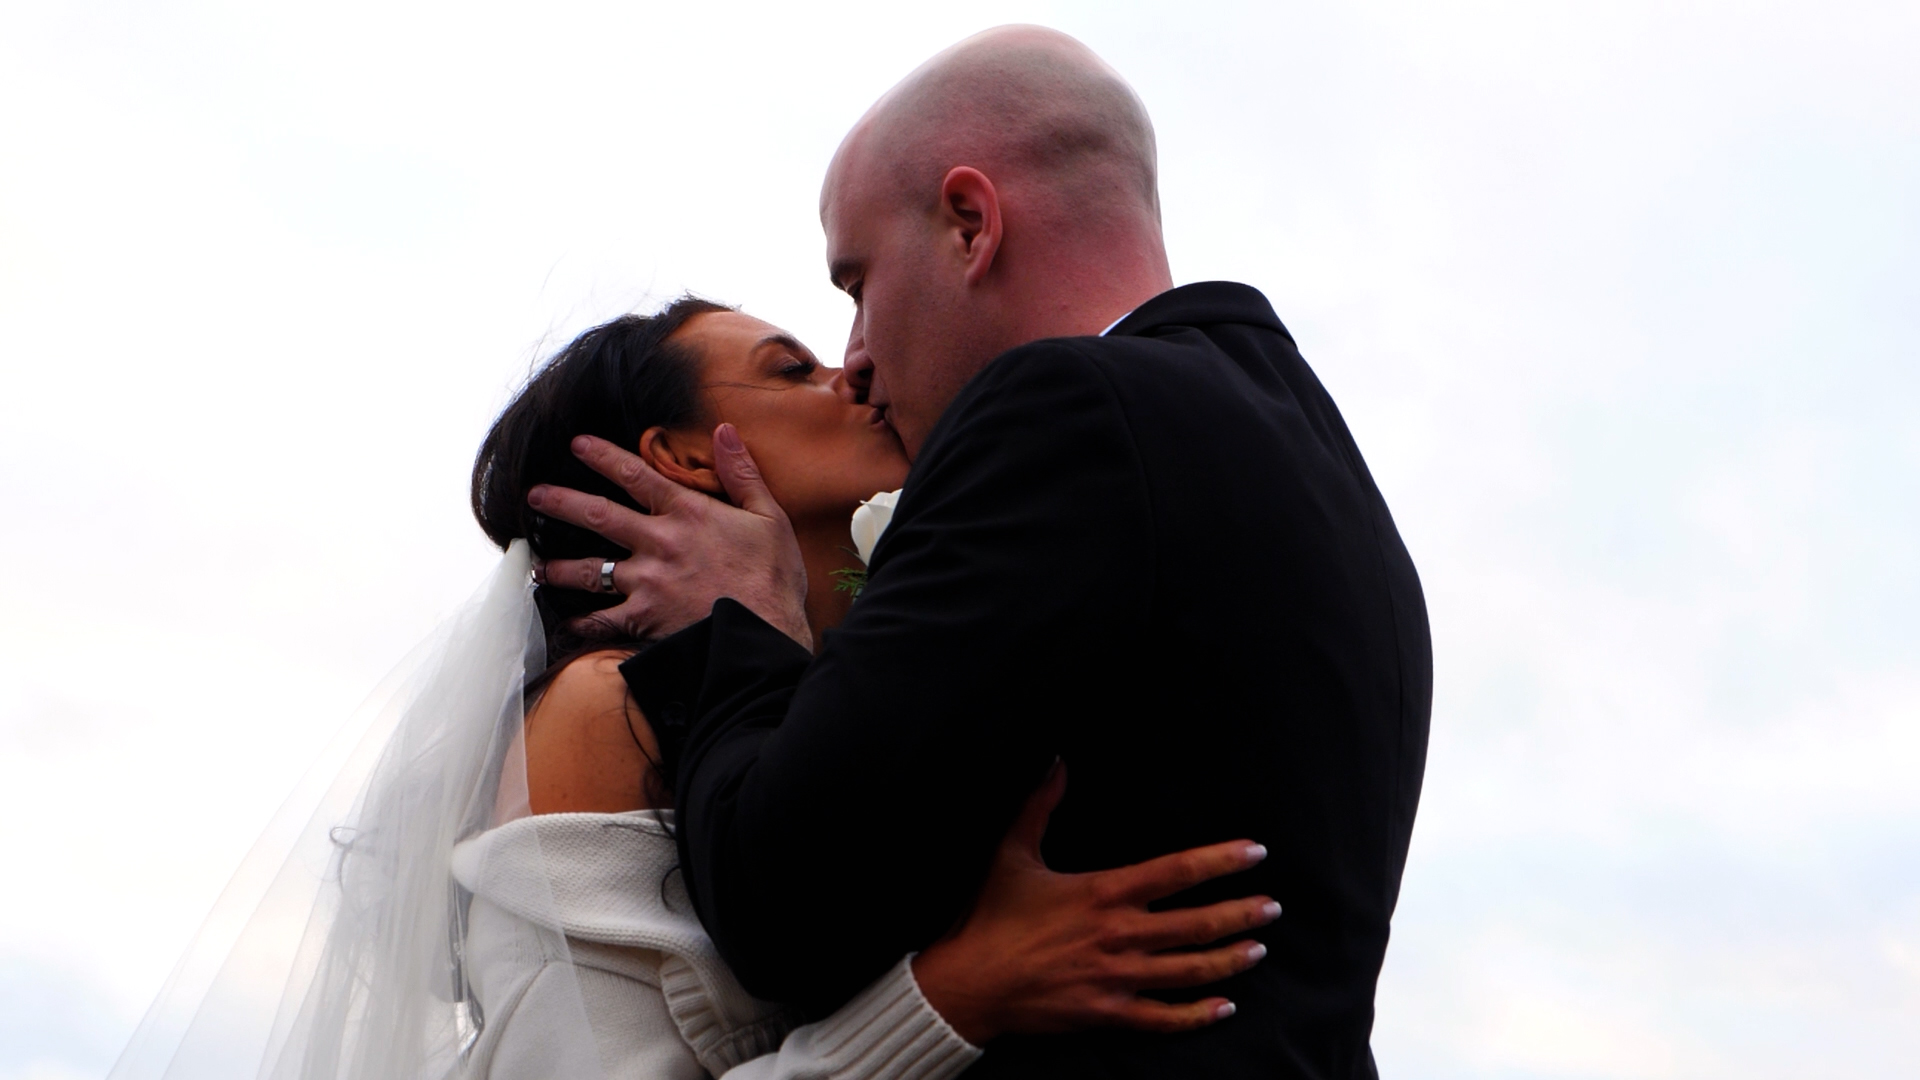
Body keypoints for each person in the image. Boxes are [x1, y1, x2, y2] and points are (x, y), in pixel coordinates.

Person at [528, 26, 1433, 1080]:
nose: (857, 360)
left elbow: (788, 907)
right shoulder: (1327, 477)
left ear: (970, 223)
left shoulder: (1067, 414)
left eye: (857, 286)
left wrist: (744, 623)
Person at [106, 298, 1278, 1080]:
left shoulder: (854, 688)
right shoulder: (599, 712)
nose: (854, 371)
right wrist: (954, 994)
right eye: (793, 368)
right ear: (679, 454)